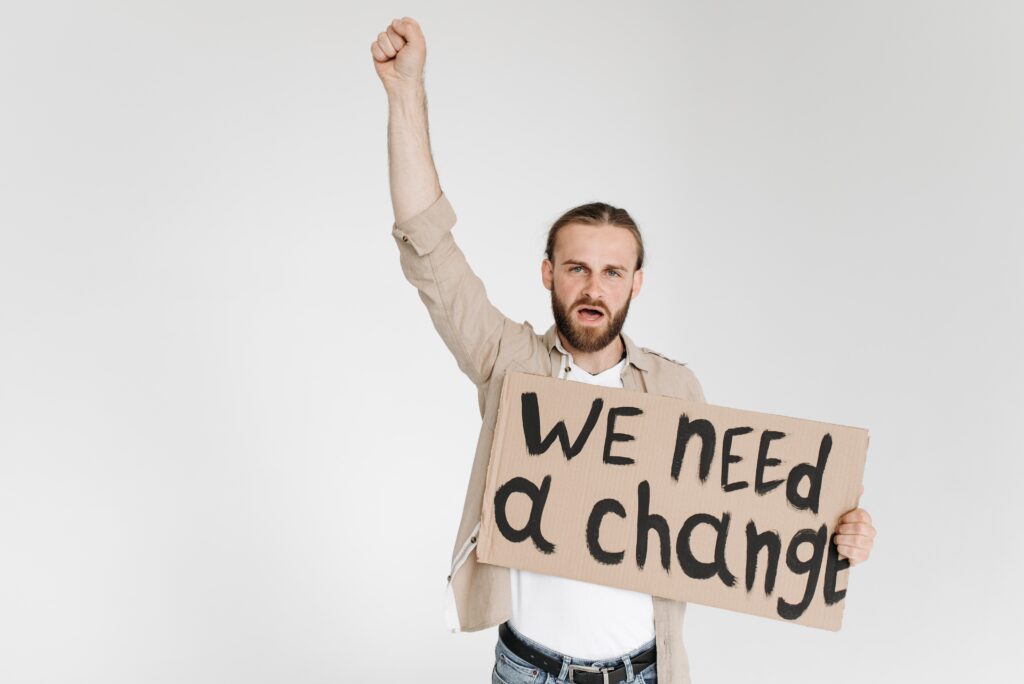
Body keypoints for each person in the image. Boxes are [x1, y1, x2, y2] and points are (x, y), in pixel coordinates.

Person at [371, 16, 877, 684]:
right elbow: (427, 244)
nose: (593, 288)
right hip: (528, 671)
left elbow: (745, 516)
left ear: (636, 284)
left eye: (613, 273)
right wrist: (406, 95)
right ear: (548, 273)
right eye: (577, 268)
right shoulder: (509, 364)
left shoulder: (675, 390)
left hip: (646, 674)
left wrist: (837, 536)